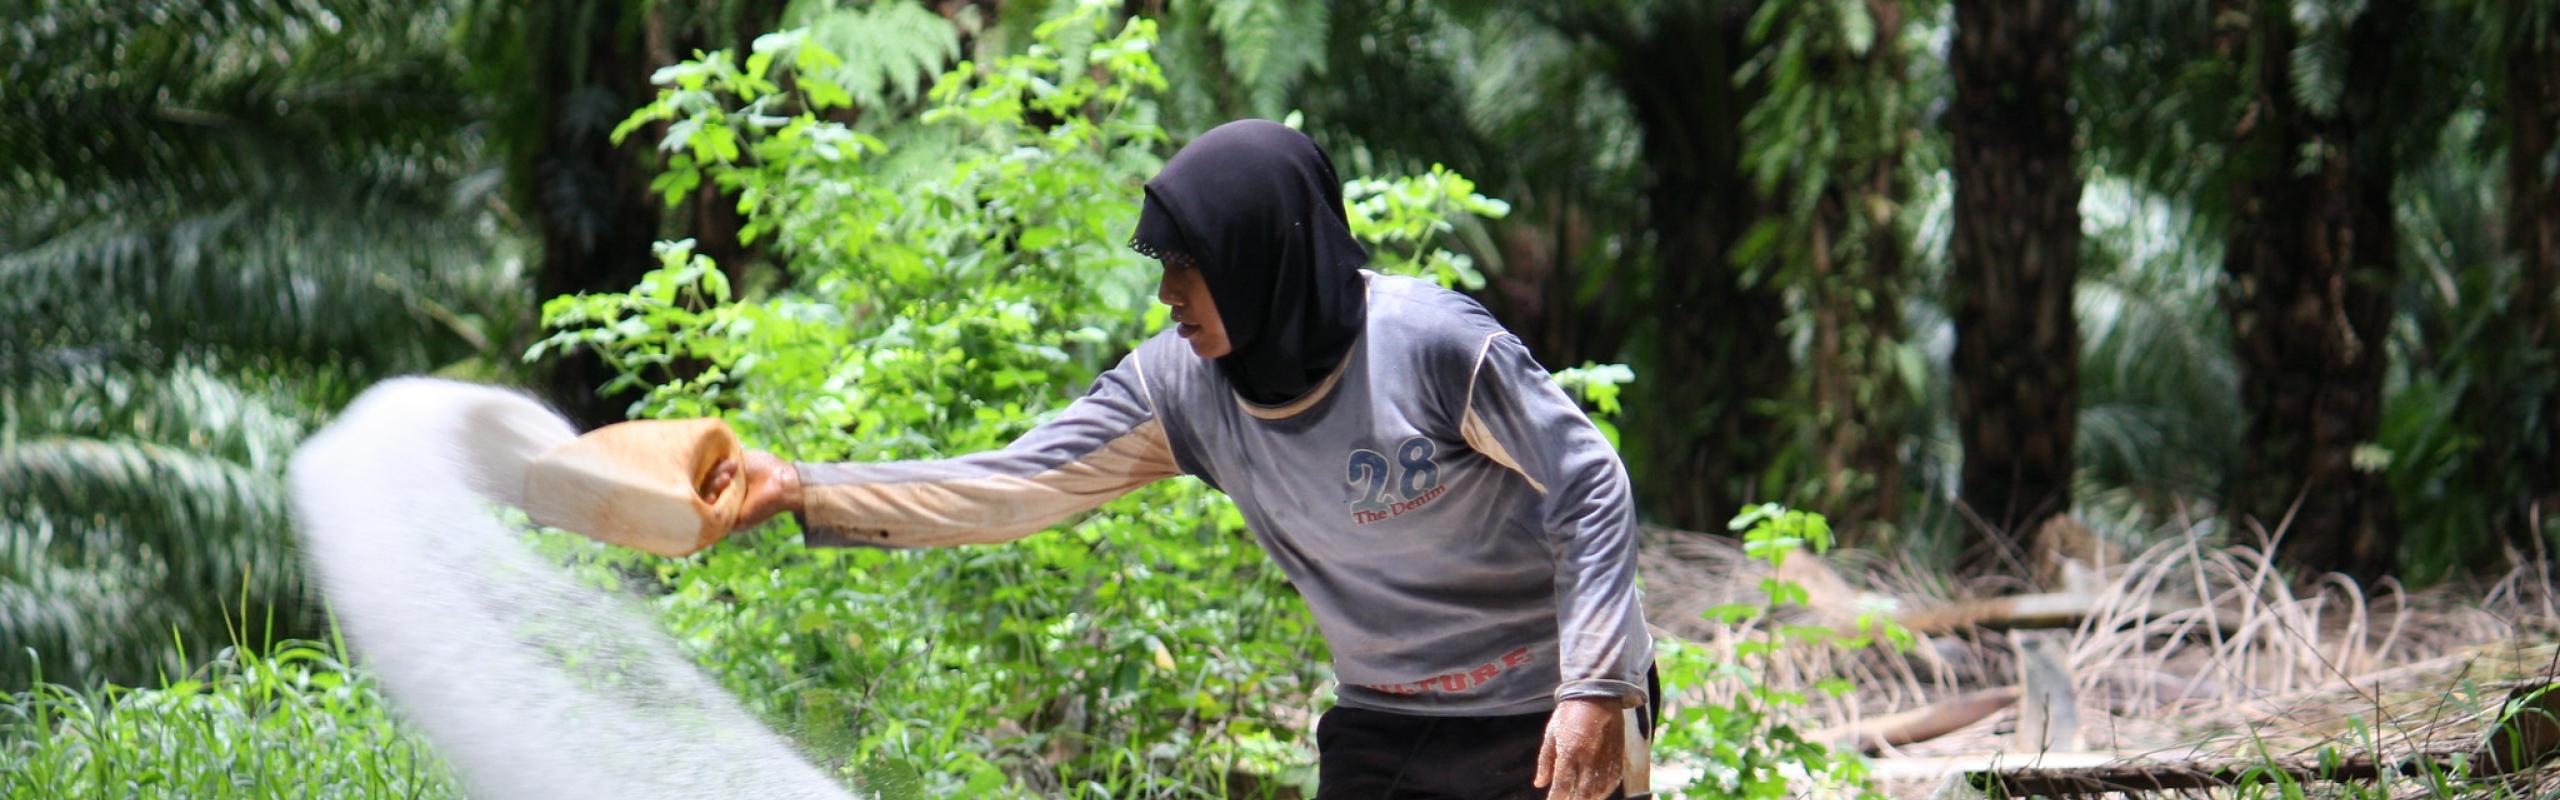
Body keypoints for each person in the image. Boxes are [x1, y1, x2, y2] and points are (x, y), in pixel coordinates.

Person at [705, 119, 1656, 799]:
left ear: (1258, 256)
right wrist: (800, 489)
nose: (1166, 294)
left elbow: (1589, 482)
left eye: (1185, 265)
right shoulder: (1182, 388)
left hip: (1547, 704)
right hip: (1385, 714)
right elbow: (1012, 485)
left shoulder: (1430, 345)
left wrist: (1595, 688)